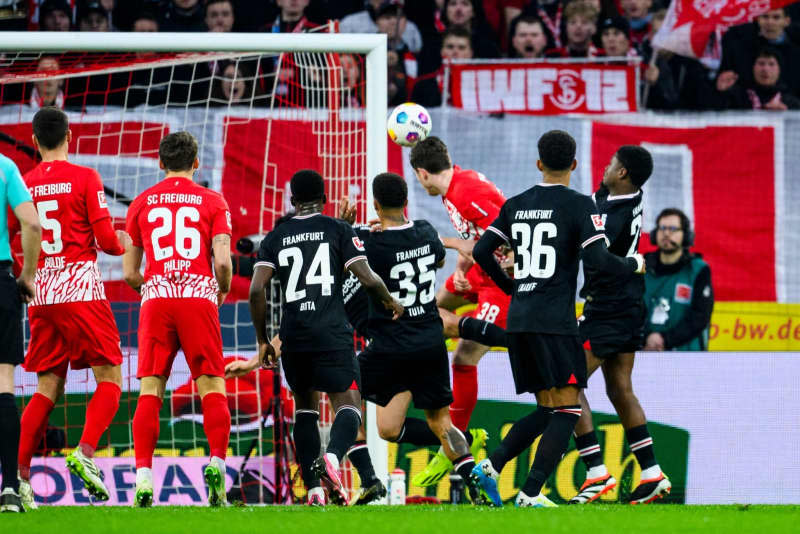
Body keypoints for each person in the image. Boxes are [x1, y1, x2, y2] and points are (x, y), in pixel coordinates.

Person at [470, 130, 644, 507]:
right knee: (567, 408)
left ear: (538, 164)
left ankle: (491, 467)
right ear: (575, 164)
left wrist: (511, 287)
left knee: (549, 408)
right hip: (554, 321)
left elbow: (482, 251)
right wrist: (632, 263)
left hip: (519, 320)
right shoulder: (582, 206)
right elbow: (597, 260)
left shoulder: (516, 204)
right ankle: (531, 493)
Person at [248, 169, 402, 506]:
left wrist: (262, 340)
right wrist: (390, 301)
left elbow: (256, 288)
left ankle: (315, 492)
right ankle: (332, 460)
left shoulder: (277, 235)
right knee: (349, 405)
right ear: (325, 198)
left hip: (294, 336)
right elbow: (368, 278)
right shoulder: (337, 229)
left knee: (305, 409)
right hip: (331, 332)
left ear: (292, 201)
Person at [15, 107, 127, 509]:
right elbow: (107, 241)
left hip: (40, 291)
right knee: (111, 375)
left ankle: (18, 478)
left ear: (33, 141)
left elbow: (15, 238)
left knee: (47, 386)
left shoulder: (23, 183)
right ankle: (85, 452)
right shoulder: (84, 177)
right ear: (70, 136)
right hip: (79, 288)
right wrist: (127, 240)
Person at [353, 172, 488, 504]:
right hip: (428, 340)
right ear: (406, 203)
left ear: (375, 204)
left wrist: (353, 227)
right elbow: (439, 257)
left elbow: (348, 259)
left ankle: (365, 478)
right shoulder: (426, 232)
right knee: (397, 426)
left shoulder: (369, 243)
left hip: (389, 345)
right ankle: (478, 485)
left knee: (344, 392)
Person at [123, 131, 233, 507]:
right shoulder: (213, 201)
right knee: (212, 387)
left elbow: (129, 272)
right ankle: (216, 465)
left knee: (151, 390)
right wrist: (222, 288)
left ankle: (142, 479)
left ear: (160, 162)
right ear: (196, 162)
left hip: (157, 300)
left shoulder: (141, 202)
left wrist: (152, 289)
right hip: (199, 297)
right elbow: (222, 261)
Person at [570, 146, 671, 505]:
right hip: (628, 306)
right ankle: (651, 473)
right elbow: (594, 200)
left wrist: (630, 264)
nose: (606, 167)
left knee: (566, 385)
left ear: (623, 172)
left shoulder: (617, 214)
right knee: (619, 389)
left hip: (609, 310)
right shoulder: (621, 196)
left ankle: (596, 473)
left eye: (612, 164)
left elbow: (597, 257)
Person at [408, 136, 507, 488]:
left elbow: (507, 233)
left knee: (464, 359)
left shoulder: (466, 194)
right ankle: (432, 401)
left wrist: (444, 242)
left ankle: (458, 436)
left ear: (422, 173)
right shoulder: (455, 187)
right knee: (426, 312)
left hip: (503, 280)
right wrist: (463, 269)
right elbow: (479, 236)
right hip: (479, 270)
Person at [0, 154, 41, 513]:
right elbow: (31, 223)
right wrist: (26, 276)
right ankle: (10, 489)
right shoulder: (4, 166)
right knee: (4, 385)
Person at [643, 208, 713, 351]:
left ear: (686, 235)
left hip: (687, 357)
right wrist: (646, 338)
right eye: (662, 228)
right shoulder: (640, 266)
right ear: (655, 234)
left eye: (673, 229)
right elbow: (629, 310)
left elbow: (700, 316)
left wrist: (665, 340)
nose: (667, 233)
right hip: (644, 351)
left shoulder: (699, 270)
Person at [718, 8, 800, 97]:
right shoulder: (743, 48)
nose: (770, 22)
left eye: (776, 17)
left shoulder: (796, 51)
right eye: (765, 17)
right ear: (758, 19)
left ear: (787, 21)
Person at [715, 47, 800, 110]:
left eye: (771, 64)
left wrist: (787, 115)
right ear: (752, 68)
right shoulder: (737, 96)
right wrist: (721, 93)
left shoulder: (791, 102)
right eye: (761, 63)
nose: (765, 69)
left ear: (779, 70)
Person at [411, 26, 473, 107]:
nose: (455, 52)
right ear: (442, 52)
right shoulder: (422, 85)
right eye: (450, 47)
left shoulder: (483, 86)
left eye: (461, 48)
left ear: (470, 53)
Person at [340, 1, 423, 54]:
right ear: (377, 22)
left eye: (395, 17)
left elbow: (417, 53)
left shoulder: (409, 27)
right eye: (387, 17)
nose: (392, 21)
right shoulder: (349, 22)